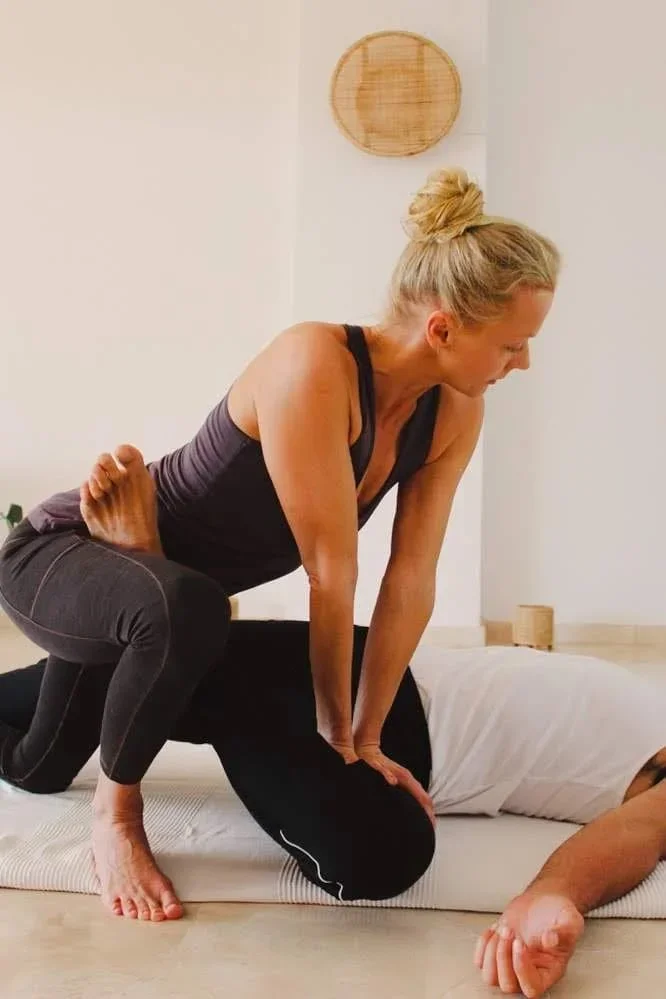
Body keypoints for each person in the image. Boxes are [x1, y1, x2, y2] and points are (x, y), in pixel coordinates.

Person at [0, 167, 560, 921]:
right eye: (513, 345)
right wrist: (332, 728)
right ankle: (115, 815)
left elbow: (411, 576)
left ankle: (126, 631)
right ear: (444, 329)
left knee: (40, 757)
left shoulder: (452, 411)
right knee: (172, 624)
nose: (522, 364)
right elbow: (333, 572)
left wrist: (364, 734)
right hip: (74, 550)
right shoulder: (314, 364)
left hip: (160, 601)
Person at [2, 625, 666, 999]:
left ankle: (160, 657)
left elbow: (641, 824)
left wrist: (554, 892)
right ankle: (154, 643)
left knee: (40, 752)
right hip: (371, 685)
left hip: (373, 707)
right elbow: (645, 824)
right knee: (45, 736)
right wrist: (556, 891)